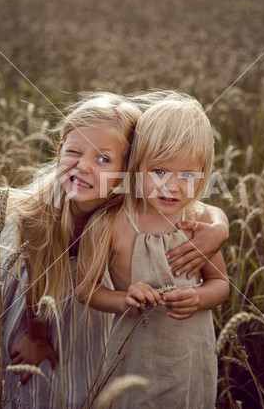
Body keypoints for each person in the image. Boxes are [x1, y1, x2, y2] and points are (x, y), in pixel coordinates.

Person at [0, 91, 228, 408]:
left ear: (128, 168)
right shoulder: (43, 212)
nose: (82, 166)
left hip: (93, 310)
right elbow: (37, 280)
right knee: (38, 385)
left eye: (102, 159)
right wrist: (37, 337)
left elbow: (200, 208)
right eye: (73, 152)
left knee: (87, 380)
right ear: (60, 149)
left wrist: (221, 228)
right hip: (39, 306)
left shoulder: (133, 201)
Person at [85, 90, 230, 409]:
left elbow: (220, 284)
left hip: (188, 354)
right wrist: (123, 299)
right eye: (160, 171)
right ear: (137, 165)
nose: (172, 186)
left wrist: (199, 297)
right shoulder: (112, 224)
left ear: (203, 175)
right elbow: (88, 290)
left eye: (188, 175)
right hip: (135, 356)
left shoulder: (199, 221)